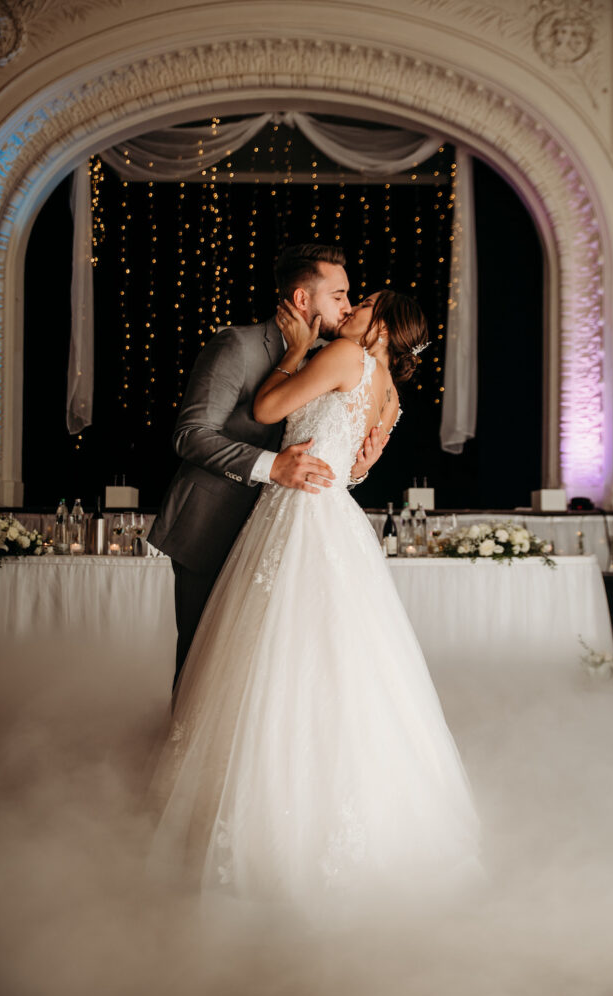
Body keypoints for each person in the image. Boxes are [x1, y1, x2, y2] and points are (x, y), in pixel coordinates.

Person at [147, 288, 481, 923]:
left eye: (365, 304)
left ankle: (269, 811)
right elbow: (356, 470)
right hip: (340, 520)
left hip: (297, 511)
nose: (351, 309)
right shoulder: (390, 389)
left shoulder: (344, 356)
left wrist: (297, 352)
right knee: (341, 660)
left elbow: (271, 406)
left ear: (380, 324)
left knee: (279, 652)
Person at [148, 244, 386, 688]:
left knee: (263, 669)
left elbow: (322, 439)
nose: (349, 307)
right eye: (338, 296)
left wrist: (358, 468)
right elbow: (190, 434)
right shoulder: (235, 344)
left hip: (279, 534)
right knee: (202, 665)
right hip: (212, 524)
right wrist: (271, 466)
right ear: (302, 300)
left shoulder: (326, 357)